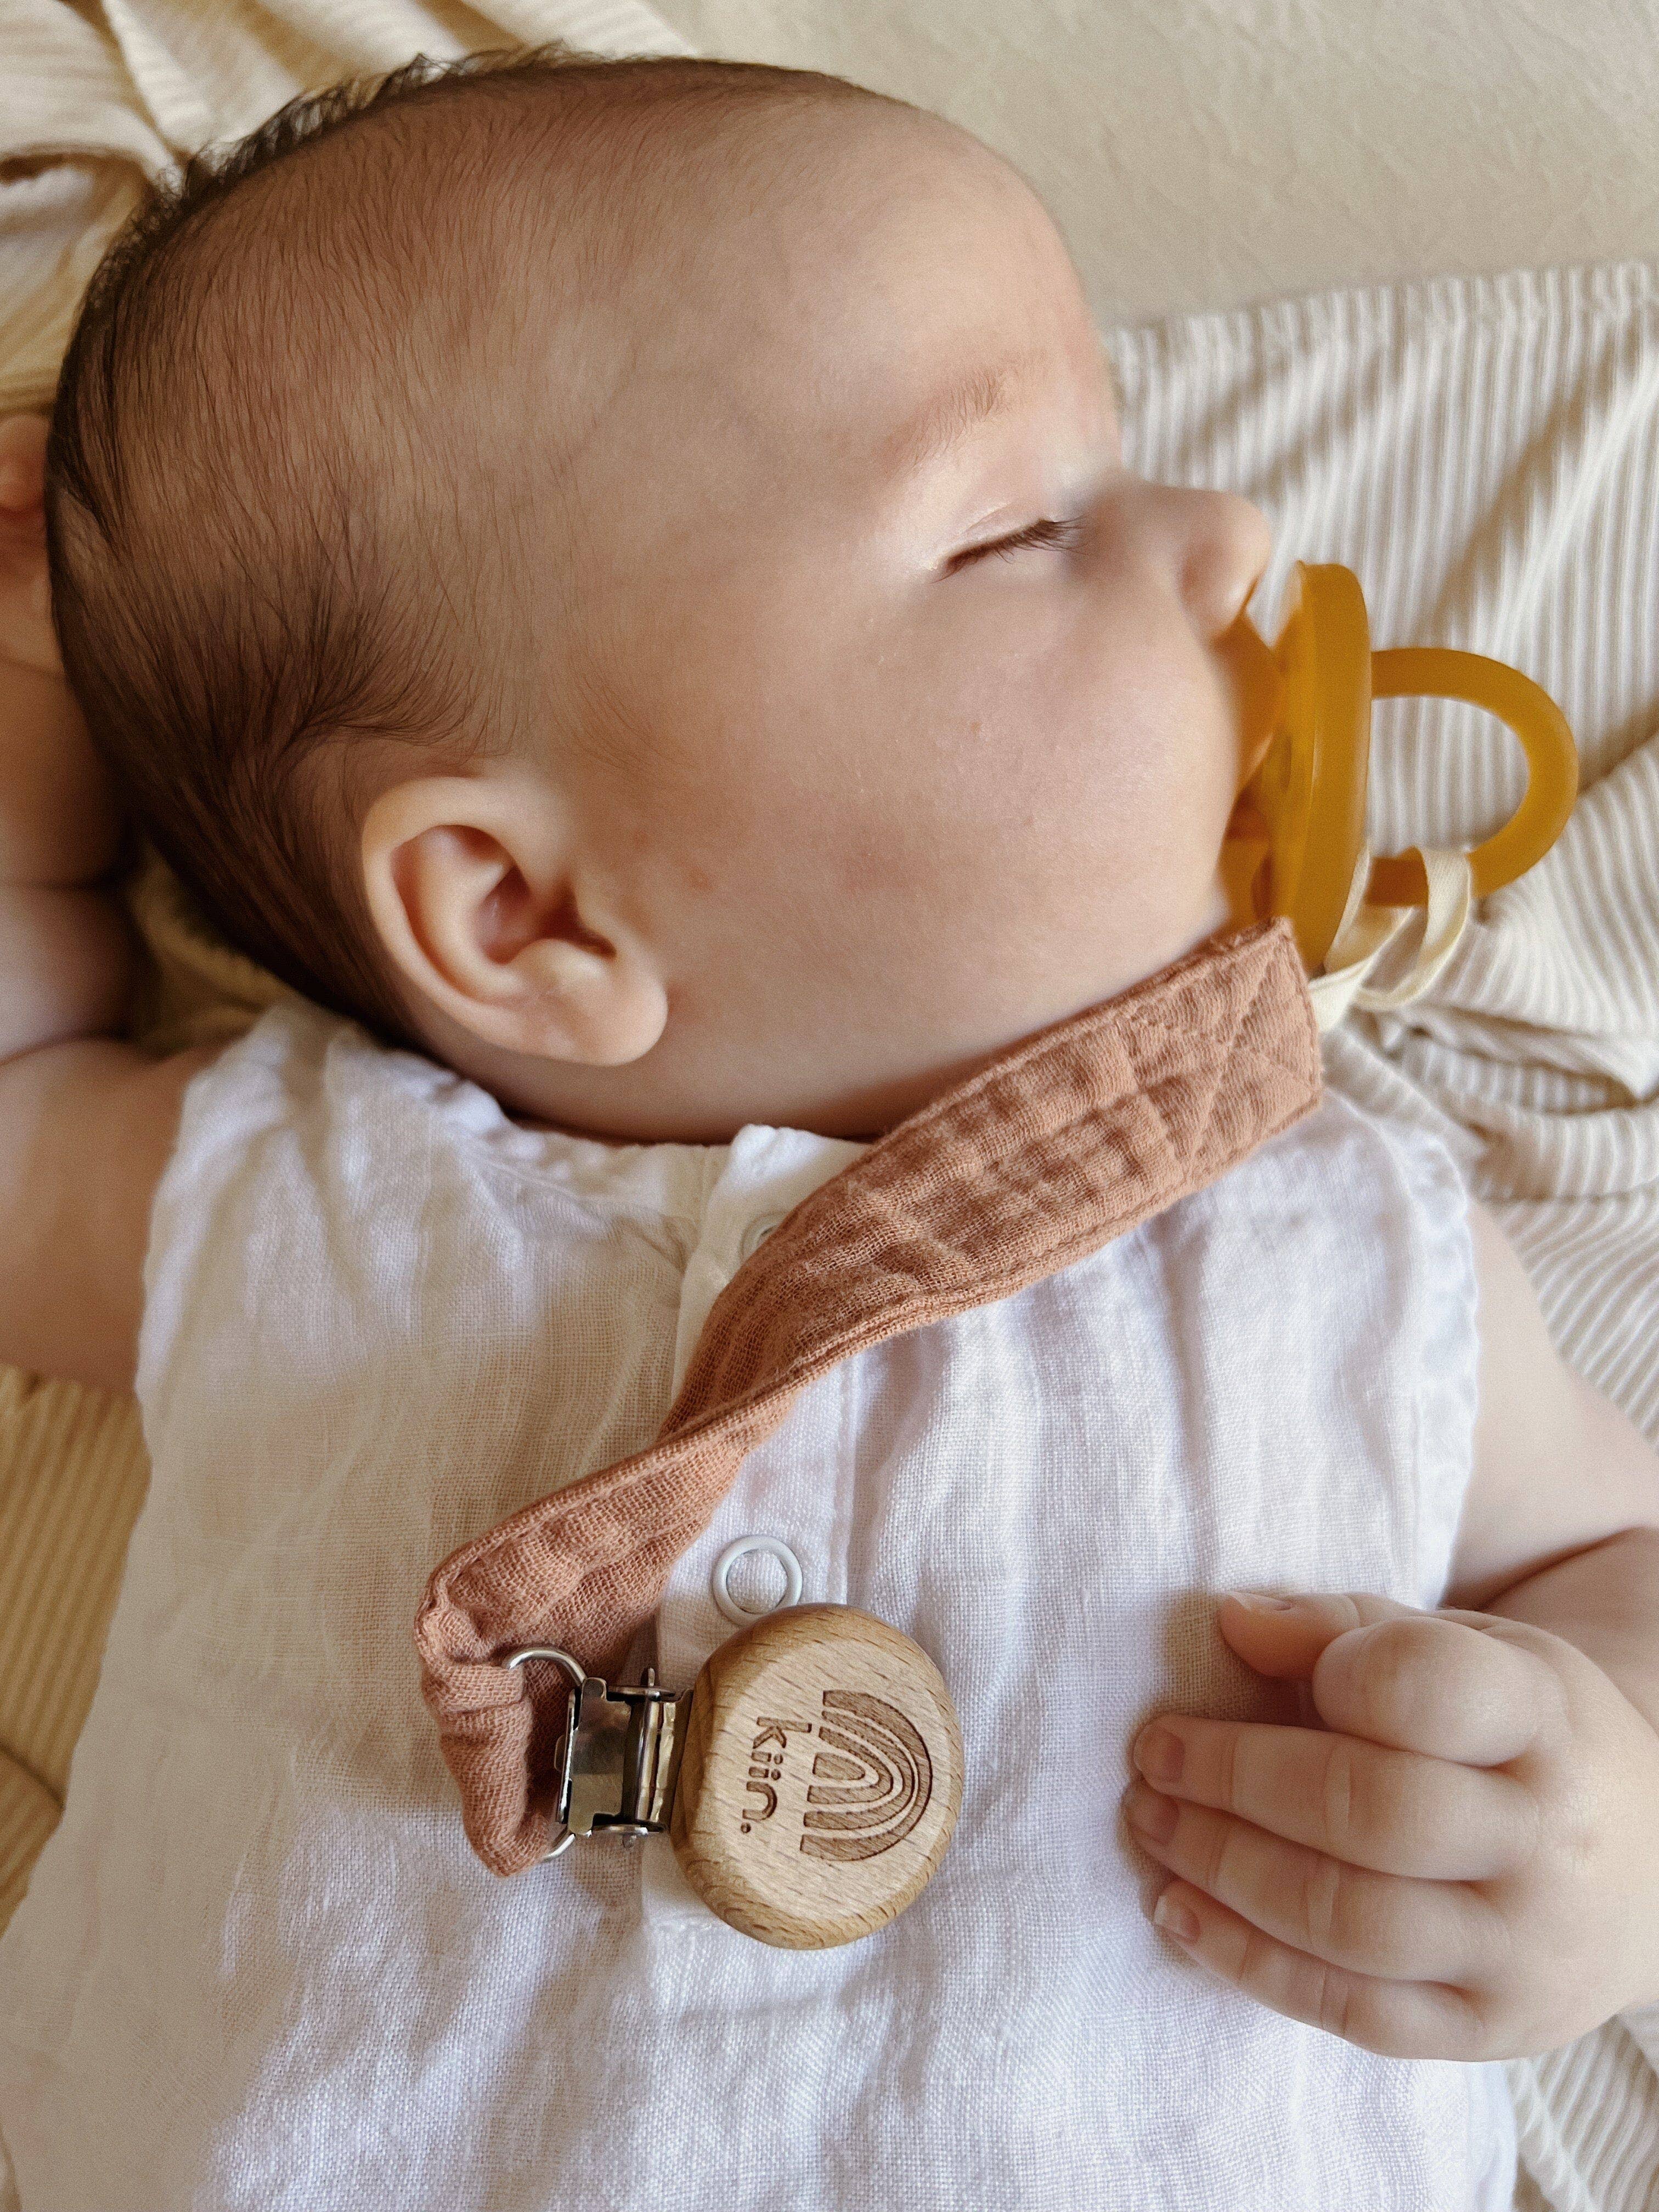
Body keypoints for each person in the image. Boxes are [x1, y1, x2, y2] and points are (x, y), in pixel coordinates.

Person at [1, 45, 1656, 2210]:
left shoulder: (1336, 1228)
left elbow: (1614, 1561)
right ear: (522, 913)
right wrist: (42, 696)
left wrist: (1599, 1822)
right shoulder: (305, 1198)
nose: (1234, 537)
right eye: (1012, 525)